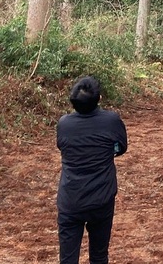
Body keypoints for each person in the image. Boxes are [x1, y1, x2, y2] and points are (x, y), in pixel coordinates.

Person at [56, 74, 128, 264]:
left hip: (70, 200)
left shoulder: (64, 124)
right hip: (101, 199)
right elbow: (121, 147)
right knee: (99, 255)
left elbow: (62, 146)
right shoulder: (111, 120)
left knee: (67, 259)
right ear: (99, 99)